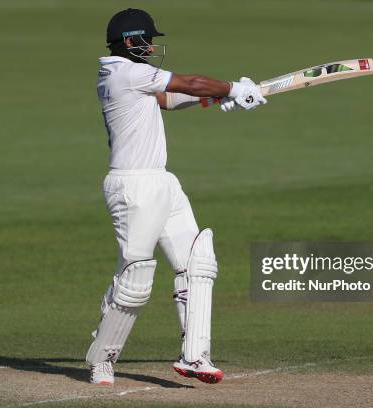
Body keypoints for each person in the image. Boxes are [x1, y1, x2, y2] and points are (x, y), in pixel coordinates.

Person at [86, 8, 266, 386]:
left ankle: (195, 356)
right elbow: (191, 82)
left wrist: (218, 100)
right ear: (130, 40)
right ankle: (102, 359)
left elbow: (169, 100)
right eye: (148, 39)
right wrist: (232, 88)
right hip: (133, 186)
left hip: (162, 181)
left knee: (197, 262)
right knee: (135, 278)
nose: (153, 45)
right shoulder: (126, 72)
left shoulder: (128, 76)